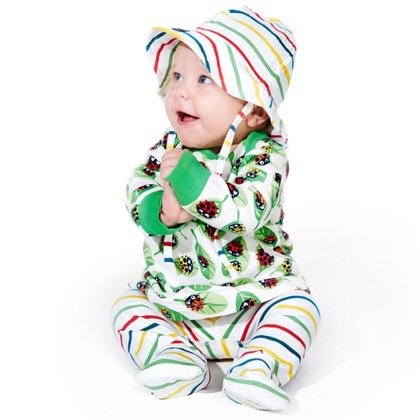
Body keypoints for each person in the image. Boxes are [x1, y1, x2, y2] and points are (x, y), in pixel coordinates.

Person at [111, 6, 320, 411]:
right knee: (127, 306)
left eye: (204, 79)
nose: (180, 92)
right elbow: (138, 188)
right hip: (175, 301)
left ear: (254, 110)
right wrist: (162, 212)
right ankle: (174, 356)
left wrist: (191, 183)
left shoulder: (263, 155)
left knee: (300, 309)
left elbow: (249, 210)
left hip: (255, 299)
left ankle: (259, 365)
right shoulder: (168, 147)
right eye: (176, 76)